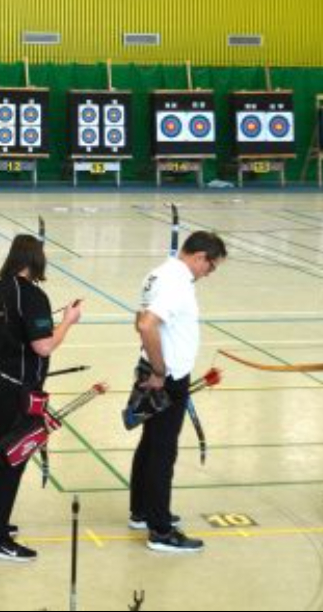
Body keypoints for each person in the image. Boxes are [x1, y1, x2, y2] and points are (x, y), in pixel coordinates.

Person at [0, 234, 81, 562]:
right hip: (15, 387)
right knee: (13, 458)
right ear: (35, 260)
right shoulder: (32, 295)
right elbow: (43, 345)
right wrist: (67, 323)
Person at [130, 231, 226, 553]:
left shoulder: (156, 273)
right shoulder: (177, 282)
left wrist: (153, 365)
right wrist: (160, 370)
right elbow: (146, 325)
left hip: (155, 370)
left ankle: (142, 510)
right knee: (162, 451)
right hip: (165, 377)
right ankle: (160, 530)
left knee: (150, 443)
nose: (208, 274)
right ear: (199, 256)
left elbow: (138, 320)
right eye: (210, 267)